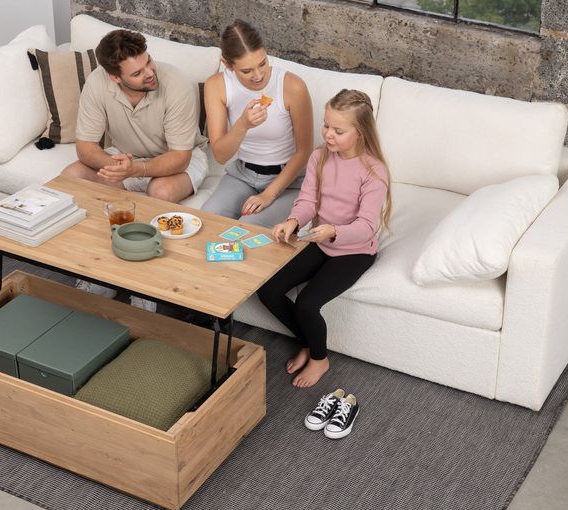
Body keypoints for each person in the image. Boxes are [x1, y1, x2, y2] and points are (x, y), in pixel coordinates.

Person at [257, 89, 392, 388]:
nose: (328, 135)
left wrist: (334, 231)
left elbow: (367, 226)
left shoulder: (374, 171)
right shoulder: (319, 157)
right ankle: (306, 341)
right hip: (320, 239)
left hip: (354, 250)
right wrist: (293, 221)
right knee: (268, 290)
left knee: (307, 304)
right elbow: (307, 201)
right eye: (326, 125)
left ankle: (320, 357)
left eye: (338, 130)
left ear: (360, 132)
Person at [61, 29, 208, 203]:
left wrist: (135, 169)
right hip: (126, 156)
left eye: (149, 61)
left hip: (179, 158)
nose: (150, 73)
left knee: (161, 192)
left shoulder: (178, 85)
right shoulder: (96, 83)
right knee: (71, 176)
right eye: (137, 73)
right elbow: (85, 148)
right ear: (115, 78)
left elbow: (180, 158)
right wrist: (122, 167)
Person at [200, 20, 313, 227]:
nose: (258, 76)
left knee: (248, 228)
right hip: (242, 175)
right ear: (228, 65)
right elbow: (221, 155)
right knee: (207, 221)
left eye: (262, 63)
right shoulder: (216, 85)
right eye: (246, 71)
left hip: (289, 180)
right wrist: (243, 125)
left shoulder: (292, 86)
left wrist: (268, 195)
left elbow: (304, 151)